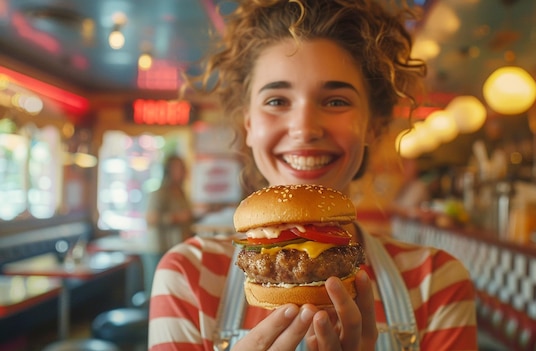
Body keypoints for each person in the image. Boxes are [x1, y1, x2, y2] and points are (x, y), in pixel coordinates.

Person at [148, 1, 478, 350]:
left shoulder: (436, 280)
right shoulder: (188, 275)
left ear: (374, 125)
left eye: (336, 101)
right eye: (276, 101)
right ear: (249, 125)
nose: (304, 129)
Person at [143, 154, 194, 295]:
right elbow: (150, 219)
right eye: (180, 168)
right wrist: (177, 217)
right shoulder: (160, 193)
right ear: (169, 170)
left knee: (172, 290)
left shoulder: (181, 192)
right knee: (157, 291)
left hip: (176, 247)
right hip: (159, 249)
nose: (184, 171)